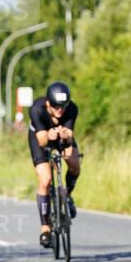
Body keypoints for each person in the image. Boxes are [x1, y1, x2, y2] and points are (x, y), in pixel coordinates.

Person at [28, 81, 82, 248]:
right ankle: (45, 227)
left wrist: (66, 136)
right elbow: (42, 140)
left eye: (63, 106)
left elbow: (70, 135)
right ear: (48, 103)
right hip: (41, 137)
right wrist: (50, 135)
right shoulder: (37, 109)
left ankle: (68, 194)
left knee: (74, 163)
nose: (60, 110)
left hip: (60, 137)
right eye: (56, 106)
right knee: (45, 180)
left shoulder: (71, 108)